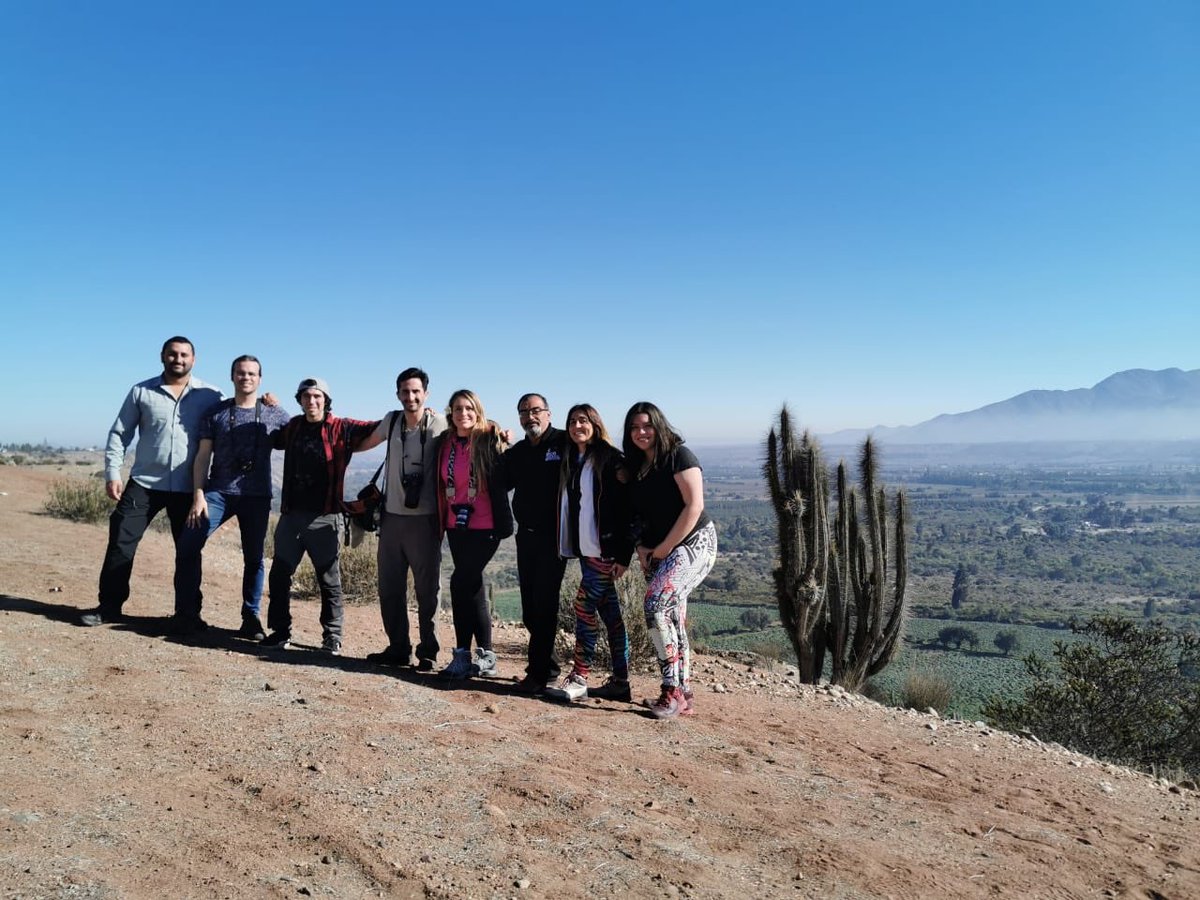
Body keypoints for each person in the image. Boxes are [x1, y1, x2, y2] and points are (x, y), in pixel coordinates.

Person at [80, 336, 223, 629]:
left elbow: (235, 416)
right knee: (121, 543)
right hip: (144, 483)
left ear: (194, 360)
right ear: (162, 356)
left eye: (184, 355)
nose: (178, 359)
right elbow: (120, 433)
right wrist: (112, 472)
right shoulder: (141, 392)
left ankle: (188, 615)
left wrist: (265, 401)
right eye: (173, 354)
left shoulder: (211, 395)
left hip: (187, 488)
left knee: (188, 551)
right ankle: (109, 607)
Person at [175, 355, 291, 639]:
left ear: (260, 379)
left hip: (257, 496)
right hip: (218, 493)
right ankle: (187, 613)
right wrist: (198, 495)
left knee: (254, 559)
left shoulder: (273, 413)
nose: (246, 377)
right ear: (232, 376)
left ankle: (250, 618)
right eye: (241, 373)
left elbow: (298, 435)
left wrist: (281, 405)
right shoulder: (215, 413)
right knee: (188, 545)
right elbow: (203, 457)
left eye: (252, 373)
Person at [261, 378, 379, 655]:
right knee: (279, 575)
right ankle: (279, 631)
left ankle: (332, 637)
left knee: (328, 579)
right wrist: (271, 407)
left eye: (317, 396)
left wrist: (419, 416)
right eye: (306, 396)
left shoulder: (341, 428)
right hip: (291, 516)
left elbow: (379, 427)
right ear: (300, 400)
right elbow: (273, 436)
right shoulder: (294, 427)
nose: (311, 401)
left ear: (326, 400)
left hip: (326, 517)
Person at [623, 401, 717, 720]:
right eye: (634, 427)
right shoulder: (636, 467)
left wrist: (662, 549)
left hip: (695, 542)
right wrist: (641, 549)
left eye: (646, 425)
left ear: (659, 425)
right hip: (658, 549)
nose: (641, 432)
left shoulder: (679, 456)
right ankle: (684, 693)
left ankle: (671, 691)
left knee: (655, 605)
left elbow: (693, 507)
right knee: (672, 615)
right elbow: (636, 515)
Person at [545, 404, 634, 703]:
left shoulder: (610, 460)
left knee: (583, 608)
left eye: (583, 420)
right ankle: (621, 682)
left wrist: (624, 555)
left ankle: (580, 676)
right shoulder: (573, 458)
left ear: (595, 423)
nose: (576, 426)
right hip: (585, 550)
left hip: (604, 550)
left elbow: (627, 511)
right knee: (612, 617)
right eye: (572, 421)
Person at [361, 367, 448, 671]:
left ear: (426, 393)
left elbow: (472, 429)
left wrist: (502, 433)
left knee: (427, 591)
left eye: (416, 391)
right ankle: (398, 648)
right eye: (405, 391)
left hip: (425, 521)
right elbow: (366, 441)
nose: (410, 397)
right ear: (397, 393)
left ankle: (428, 652)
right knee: (390, 589)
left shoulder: (440, 423)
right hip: (391, 519)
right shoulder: (392, 420)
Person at [436, 389, 513, 679]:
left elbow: (506, 474)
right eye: (458, 408)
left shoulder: (488, 439)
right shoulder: (446, 443)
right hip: (457, 525)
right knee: (474, 586)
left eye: (469, 408)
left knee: (459, 582)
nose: (463, 413)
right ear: (450, 413)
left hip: (487, 526)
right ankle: (486, 657)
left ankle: (461, 655)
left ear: (478, 412)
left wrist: (504, 438)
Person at [502, 393, 569, 695]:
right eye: (524, 412)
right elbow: (497, 476)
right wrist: (494, 438)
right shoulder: (519, 452)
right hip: (525, 537)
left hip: (554, 539)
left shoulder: (564, 443)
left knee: (544, 605)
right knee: (530, 610)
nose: (530, 416)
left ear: (549, 413)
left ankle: (538, 676)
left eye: (536, 410)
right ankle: (550, 667)